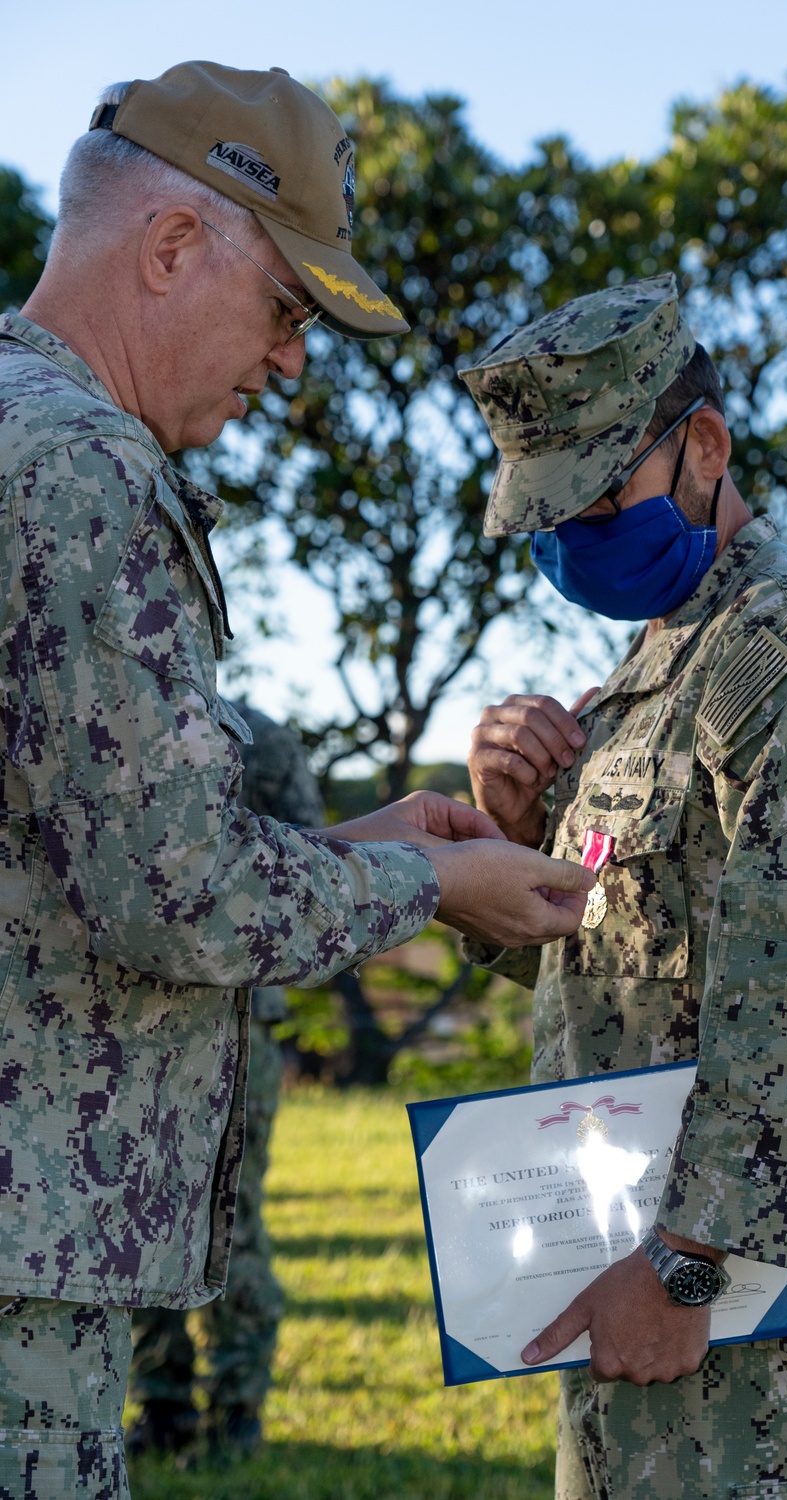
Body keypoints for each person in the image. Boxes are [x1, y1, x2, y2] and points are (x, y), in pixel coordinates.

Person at [0, 61, 594, 1498]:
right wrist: (432, 880)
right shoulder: (86, 471)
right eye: (285, 311)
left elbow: (71, 868)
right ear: (169, 248)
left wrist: (357, 846)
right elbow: (181, 901)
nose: (290, 365)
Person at [462, 273, 787, 1500]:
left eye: (594, 500)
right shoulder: (655, 670)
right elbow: (611, 954)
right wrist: (515, 833)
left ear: (704, 446)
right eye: (547, 521)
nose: (570, 544)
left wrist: (687, 1266)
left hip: (749, 1332)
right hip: (629, 1293)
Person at [128, 705, 325, 1458]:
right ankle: (182, 1408)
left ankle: (210, 1409)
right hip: (192, 1014)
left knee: (207, 1222)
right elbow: (315, 860)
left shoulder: (143, 724)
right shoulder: (251, 734)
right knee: (178, 1220)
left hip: (205, 1016)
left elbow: (315, 863)